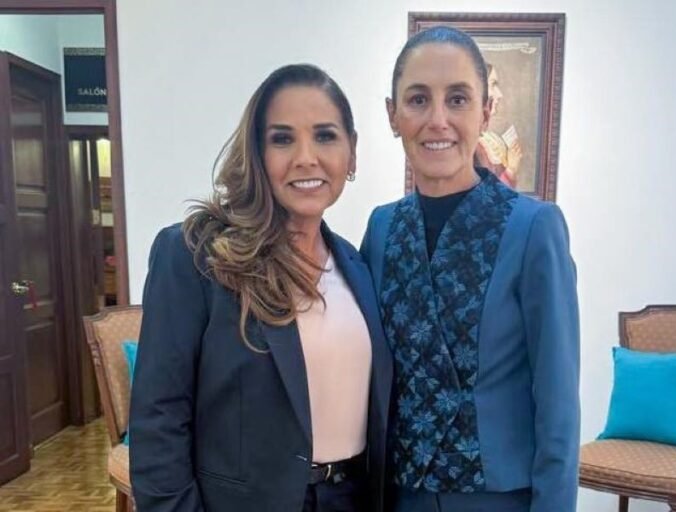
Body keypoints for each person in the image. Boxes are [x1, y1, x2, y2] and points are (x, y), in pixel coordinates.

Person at [129, 64, 392, 512]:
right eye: (282, 139)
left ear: (352, 152)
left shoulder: (357, 265)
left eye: (325, 136)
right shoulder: (196, 255)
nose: (306, 157)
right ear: (257, 152)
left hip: (350, 498)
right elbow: (159, 420)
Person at [361, 26, 579, 512]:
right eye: (418, 99)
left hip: (499, 498)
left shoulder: (533, 227)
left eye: (457, 99)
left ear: (486, 111)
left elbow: (558, 404)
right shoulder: (382, 228)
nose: (437, 120)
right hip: (400, 496)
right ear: (393, 115)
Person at [475, 63, 523, 188]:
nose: (499, 94)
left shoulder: (490, 139)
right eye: (492, 84)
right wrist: (511, 170)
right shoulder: (469, 145)